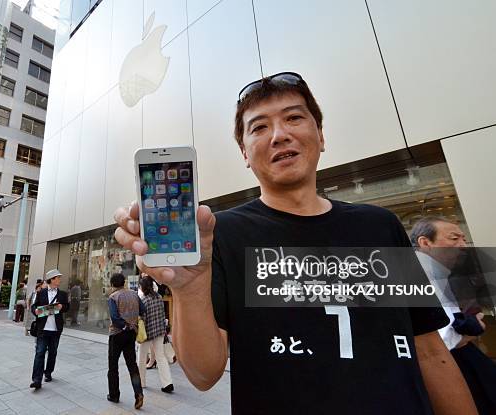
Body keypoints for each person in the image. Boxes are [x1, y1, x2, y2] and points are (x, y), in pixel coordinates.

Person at [114, 72, 477, 414]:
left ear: (320, 135)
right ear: (244, 152)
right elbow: (203, 374)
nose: (279, 135)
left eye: (293, 118)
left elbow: (429, 351)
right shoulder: (221, 234)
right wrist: (190, 290)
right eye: (259, 127)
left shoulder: (380, 225)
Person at [412, 217, 496, 414]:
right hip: (448, 365)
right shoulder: (418, 276)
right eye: (454, 238)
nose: (463, 245)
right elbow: (436, 340)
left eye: (464, 239)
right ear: (426, 243)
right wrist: (468, 332)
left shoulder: (440, 274)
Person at [107, 273, 145, 409]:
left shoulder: (113, 297)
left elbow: (115, 318)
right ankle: (138, 393)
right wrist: (132, 323)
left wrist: (124, 325)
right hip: (131, 334)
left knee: (113, 366)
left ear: (112, 284)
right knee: (132, 365)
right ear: (124, 282)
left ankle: (114, 395)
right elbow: (143, 309)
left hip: (117, 334)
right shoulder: (134, 294)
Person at [30, 269, 69, 390]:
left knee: (53, 352)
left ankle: (48, 372)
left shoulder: (62, 294)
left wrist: (62, 306)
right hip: (43, 328)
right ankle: (37, 379)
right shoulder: (41, 292)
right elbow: (34, 306)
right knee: (40, 352)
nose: (59, 280)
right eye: (57, 277)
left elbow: (67, 307)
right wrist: (35, 311)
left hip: (56, 329)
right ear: (51, 279)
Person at [137, 275, 173, 393]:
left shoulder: (143, 301)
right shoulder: (158, 297)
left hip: (147, 334)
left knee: (141, 358)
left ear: (142, 287)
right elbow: (163, 315)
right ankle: (167, 383)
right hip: (159, 331)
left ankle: (141, 382)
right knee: (161, 356)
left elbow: (142, 320)